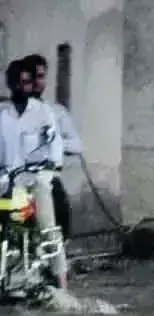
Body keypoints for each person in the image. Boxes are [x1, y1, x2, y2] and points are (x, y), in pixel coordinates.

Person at [1, 59, 68, 289]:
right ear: (10, 84)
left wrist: (51, 165)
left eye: (27, 82)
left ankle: (62, 282)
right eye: (18, 83)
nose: (23, 87)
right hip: (10, 180)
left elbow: (55, 144)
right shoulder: (3, 115)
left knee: (48, 228)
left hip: (36, 178)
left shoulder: (42, 112)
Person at [22, 53, 77, 238]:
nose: (37, 82)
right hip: (15, 179)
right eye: (32, 76)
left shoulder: (57, 112)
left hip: (45, 177)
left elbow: (76, 145)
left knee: (55, 216)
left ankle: (56, 261)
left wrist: (51, 141)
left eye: (41, 76)